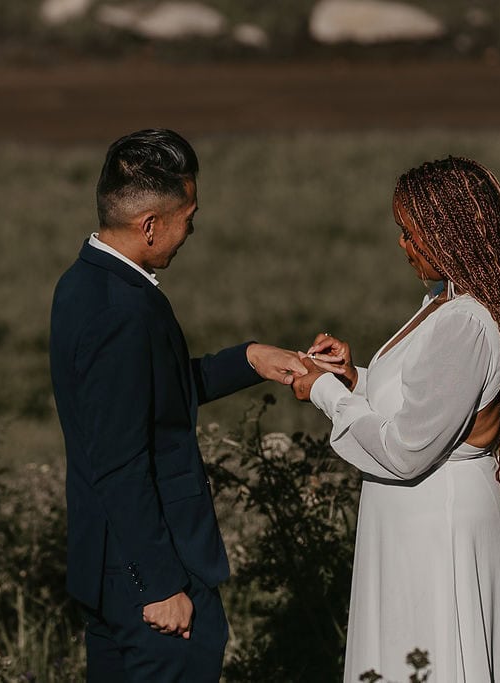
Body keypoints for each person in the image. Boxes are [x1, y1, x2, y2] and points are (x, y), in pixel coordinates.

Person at [49, 129, 305, 682]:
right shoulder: (124, 309)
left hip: (108, 564)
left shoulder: (83, 282)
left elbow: (142, 394)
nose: (192, 228)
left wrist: (250, 359)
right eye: (188, 216)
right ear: (150, 225)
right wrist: (162, 584)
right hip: (147, 574)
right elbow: (119, 459)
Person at [291, 157, 500, 682]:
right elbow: (430, 402)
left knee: (435, 656)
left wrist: (324, 394)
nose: (402, 245)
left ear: (450, 234)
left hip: (440, 526)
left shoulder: (464, 322)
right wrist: (352, 379)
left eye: (411, 233)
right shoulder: (446, 302)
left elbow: (407, 448)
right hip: (424, 519)